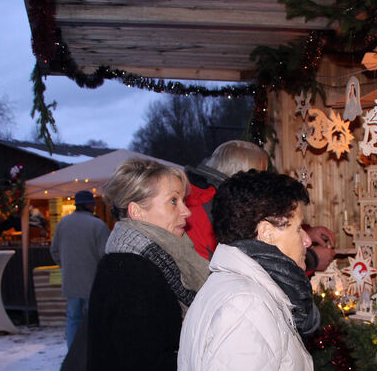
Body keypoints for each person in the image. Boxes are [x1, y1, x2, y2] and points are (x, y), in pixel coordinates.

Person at [178, 170, 317, 370]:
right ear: (266, 233)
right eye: (297, 229)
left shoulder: (246, 290)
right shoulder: (246, 305)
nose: (307, 240)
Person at [88, 159, 210, 370]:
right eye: (173, 201)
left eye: (183, 200)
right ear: (137, 212)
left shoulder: (160, 258)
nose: (186, 212)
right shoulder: (131, 272)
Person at [185, 139, 336, 271]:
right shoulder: (210, 210)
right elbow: (256, 258)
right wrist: (312, 259)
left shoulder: (206, 201)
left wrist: (305, 231)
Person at [50, 190, 110, 349]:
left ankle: (73, 352)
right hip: (93, 281)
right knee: (93, 319)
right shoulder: (98, 225)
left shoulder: (63, 223)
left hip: (71, 280)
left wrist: (66, 265)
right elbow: (106, 255)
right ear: (90, 205)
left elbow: (54, 250)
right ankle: (91, 351)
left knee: (73, 318)